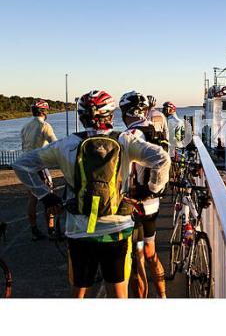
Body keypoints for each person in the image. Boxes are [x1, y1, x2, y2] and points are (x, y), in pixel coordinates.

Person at [12, 90, 170, 298]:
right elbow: (162, 158)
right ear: (111, 116)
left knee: (79, 292)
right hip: (117, 228)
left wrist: (46, 196)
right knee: (118, 293)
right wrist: (150, 190)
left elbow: (22, 165)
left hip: (79, 230)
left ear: (81, 117)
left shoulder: (66, 145)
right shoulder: (124, 141)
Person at [119, 91, 167, 298]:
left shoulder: (129, 136)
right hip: (153, 205)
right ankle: (163, 297)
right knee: (151, 253)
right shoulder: (155, 130)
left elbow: (126, 172)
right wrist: (154, 191)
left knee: (137, 258)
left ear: (124, 113)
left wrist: (145, 190)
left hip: (137, 206)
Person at [20, 99, 57, 241]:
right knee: (49, 198)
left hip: (26, 167)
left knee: (32, 198)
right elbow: (56, 145)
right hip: (39, 166)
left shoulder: (25, 127)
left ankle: (34, 229)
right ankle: (51, 230)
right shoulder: (44, 126)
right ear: (44, 112)